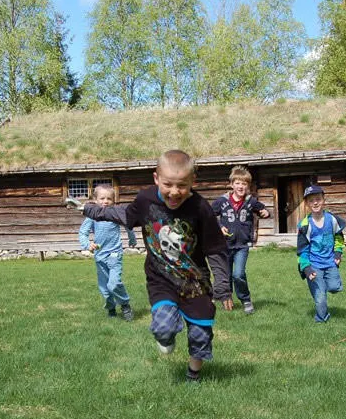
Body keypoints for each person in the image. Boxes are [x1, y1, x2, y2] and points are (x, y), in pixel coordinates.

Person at [77, 150, 231, 382]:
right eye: (168, 184)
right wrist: (91, 210)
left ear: (192, 182)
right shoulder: (146, 200)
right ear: (156, 178)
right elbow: (122, 214)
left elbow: (215, 249)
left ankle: (193, 375)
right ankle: (168, 337)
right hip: (161, 279)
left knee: (200, 333)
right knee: (162, 327)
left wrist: (223, 286)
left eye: (182, 186)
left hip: (195, 283)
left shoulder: (201, 208)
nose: (174, 192)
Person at [211, 165, 270, 314]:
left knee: (238, 274)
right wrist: (218, 227)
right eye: (237, 183)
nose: (240, 186)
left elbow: (265, 211)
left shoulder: (251, 201)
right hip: (224, 245)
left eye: (244, 184)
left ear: (248, 186)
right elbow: (209, 216)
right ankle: (226, 299)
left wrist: (264, 212)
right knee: (227, 275)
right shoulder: (222, 201)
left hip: (242, 245)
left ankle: (245, 299)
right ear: (231, 184)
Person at [78, 184, 138, 321]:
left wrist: (132, 238)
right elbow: (83, 233)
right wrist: (87, 244)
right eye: (102, 198)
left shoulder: (114, 214)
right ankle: (111, 307)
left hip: (114, 254)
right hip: (100, 256)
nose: (105, 201)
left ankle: (125, 305)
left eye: (109, 199)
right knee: (104, 288)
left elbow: (128, 224)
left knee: (114, 283)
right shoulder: (92, 217)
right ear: (95, 200)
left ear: (113, 200)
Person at [296, 185, 346, 323]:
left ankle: (323, 287)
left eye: (318, 199)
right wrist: (306, 268)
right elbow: (302, 250)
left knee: (335, 287)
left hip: (330, 262)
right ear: (307, 204)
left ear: (324, 200)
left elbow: (339, 237)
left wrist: (338, 253)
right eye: (311, 201)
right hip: (314, 265)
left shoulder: (332, 220)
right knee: (320, 296)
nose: (315, 203)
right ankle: (321, 319)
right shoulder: (305, 225)